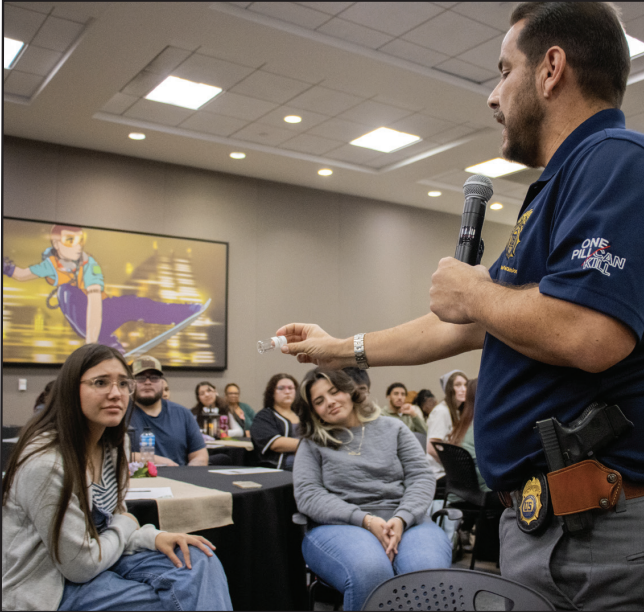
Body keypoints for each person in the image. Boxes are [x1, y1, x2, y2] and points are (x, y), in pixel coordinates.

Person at [276, 3, 643, 609]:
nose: (494, 96)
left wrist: (474, 289)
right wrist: (338, 347)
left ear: (551, 69)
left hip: (597, 536)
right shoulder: (556, 186)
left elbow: (589, 333)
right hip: (546, 527)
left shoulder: (613, 161)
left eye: (504, 70)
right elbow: (467, 325)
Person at [1, 343, 232, 611]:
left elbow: (108, 525)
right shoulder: (46, 463)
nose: (115, 393)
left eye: (123, 384)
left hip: (101, 558)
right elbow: (82, 564)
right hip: (50, 584)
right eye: (100, 382)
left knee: (200, 558)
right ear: (70, 390)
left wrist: (151, 536)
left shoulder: (115, 444)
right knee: (169, 599)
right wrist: (126, 524)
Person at [293, 368, 452, 611]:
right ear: (313, 411)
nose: (330, 402)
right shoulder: (312, 443)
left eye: (334, 392)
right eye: (319, 401)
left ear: (349, 390)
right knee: (371, 570)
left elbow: (421, 477)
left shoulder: (394, 428)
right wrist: (365, 520)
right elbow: (309, 495)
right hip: (340, 526)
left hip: (406, 520)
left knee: (426, 572)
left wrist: (402, 518)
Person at [2, 225, 204, 352]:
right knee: (133, 304)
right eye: (70, 241)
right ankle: (183, 312)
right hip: (83, 316)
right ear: (56, 243)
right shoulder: (52, 263)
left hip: (97, 315)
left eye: (80, 241)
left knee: (134, 304)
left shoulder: (88, 265)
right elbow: (21, 275)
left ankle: (108, 339)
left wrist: (92, 341)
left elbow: (96, 304)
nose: (77, 246)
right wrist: (90, 345)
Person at [129, 356, 208, 467]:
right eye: (140, 377)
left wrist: (186, 475)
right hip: (136, 482)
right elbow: (112, 455)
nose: (147, 382)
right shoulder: (119, 413)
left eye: (154, 377)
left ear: (162, 383)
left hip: (178, 481)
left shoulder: (183, 414)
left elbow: (200, 456)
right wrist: (157, 461)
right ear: (130, 383)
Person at [250, 373, 300, 470]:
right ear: (272, 392)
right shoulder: (264, 416)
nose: (287, 392)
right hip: (283, 467)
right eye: (281, 388)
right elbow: (276, 444)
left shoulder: (303, 415)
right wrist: (309, 444)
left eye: (290, 388)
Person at [426, 371, 468, 481]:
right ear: (449, 389)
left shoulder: (457, 412)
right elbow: (431, 448)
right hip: (438, 473)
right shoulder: (441, 411)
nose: (463, 389)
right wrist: (454, 466)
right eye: (458, 385)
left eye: (465, 385)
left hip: (448, 470)